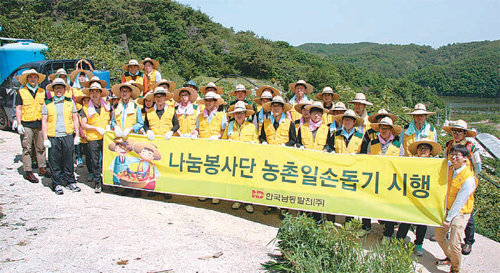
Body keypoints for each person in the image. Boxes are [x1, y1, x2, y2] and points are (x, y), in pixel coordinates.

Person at [435, 144, 477, 273]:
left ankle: (455, 269)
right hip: (447, 208)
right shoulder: (450, 168)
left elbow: (459, 202)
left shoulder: (468, 179)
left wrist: (448, 218)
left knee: (455, 243)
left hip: (461, 212)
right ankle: (451, 257)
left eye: (457, 155)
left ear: (465, 158)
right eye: (451, 154)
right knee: (439, 236)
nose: (453, 157)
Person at [396, 138, 442, 256]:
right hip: (411, 196)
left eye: (425, 148)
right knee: (406, 219)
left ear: (430, 151)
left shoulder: (436, 165)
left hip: (426, 198)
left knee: (422, 222)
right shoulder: (411, 161)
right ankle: (399, 241)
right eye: (420, 148)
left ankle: (418, 244)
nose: (423, 150)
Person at [443, 119, 481, 255]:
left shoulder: (471, 147)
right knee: (449, 206)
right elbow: (444, 161)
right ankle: (446, 234)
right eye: (454, 131)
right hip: (451, 178)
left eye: (459, 131)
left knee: (466, 211)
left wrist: (473, 180)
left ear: (464, 133)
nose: (456, 134)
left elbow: (477, 166)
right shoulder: (448, 145)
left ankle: (469, 241)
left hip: (466, 180)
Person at [41, 78, 81, 195]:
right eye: (56, 88)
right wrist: (45, 138)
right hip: (54, 135)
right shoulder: (48, 103)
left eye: (61, 88)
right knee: (54, 160)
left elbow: (75, 118)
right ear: (53, 89)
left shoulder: (70, 102)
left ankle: (70, 181)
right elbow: (44, 121)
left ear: (64, 89)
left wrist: (77, 135)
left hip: (67, 134)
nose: (59, 90)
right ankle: (57, 183)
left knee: (69, 159)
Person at [367, 117, 404, 242]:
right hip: (374, 179)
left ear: (391, 130)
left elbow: (402, 163)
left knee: (390, 208)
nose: (384, 131)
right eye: (382, 128)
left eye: (387, 128)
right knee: (366, 202)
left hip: (390, 181)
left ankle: (388, 233)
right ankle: (365, 226)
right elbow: (367, 161)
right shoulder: (372, 143)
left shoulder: (398, 145)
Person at [259, 95, 296, 218]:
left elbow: (293, 140)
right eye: (273, 106)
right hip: (270, 158)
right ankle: (272, 205)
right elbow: (262, 137)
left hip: (284, 158)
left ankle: (284, 209)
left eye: (278, 106)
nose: (276, 108)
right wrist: (264, 142)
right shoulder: (266, 122)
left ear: (282, 108)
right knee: (271, 182)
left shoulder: (289, 123)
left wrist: (285, 145)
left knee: (283, 183)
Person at [222, 101, 258, 213]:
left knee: (247, 181)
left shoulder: (251, 126)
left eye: (241, 113)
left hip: (247, 159)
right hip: (234, 158)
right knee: (236, 180)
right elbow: (223, 140)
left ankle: (248, 202)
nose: (239, 115)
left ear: (246, 114)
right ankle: (237, 199)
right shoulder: (230, 126)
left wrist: (254, 144)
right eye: (237, 113)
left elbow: (256, 141)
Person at [14, 69, 49, 183]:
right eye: (30, 77)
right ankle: (28, 171)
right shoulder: (21, 92)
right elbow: (18, 108)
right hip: (27, 123)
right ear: (27, 79)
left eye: (35, 77)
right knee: (27, 148)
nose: (33, 79)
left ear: (38, 79)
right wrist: (19, 123)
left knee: (41, 147)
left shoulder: (42, 92)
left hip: (39, 123)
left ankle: (42, 168)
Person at [192, 91, 227, 204]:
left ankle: (215, 194)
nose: (208, 103)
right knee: (203, 170)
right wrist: (194, 134)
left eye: (210, 100)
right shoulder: (200, 116)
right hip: (202, 147)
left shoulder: (222, 116)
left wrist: (217, 136)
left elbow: (223, 131)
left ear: (215, 102)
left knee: (215, 170)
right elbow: (197, 129)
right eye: (206, 100)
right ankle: (204, 192)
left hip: (216, 148)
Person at [79, 81, 110, 193]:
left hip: (106, 137)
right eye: (92, 92)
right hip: (93, 138)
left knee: (107, 160)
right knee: (95, 161)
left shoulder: (107, 106)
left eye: (97, 92)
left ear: (100, 93)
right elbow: (83, 124)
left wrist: (109, 126)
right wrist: (96, 128)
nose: (94, 94)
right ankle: (97, 182)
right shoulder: (85, 108)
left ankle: (108, 181)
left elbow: (111, 119)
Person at [69, 68, 93, 168]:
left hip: (89, 113)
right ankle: (78, 156)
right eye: (80, 76)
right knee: (78, 134)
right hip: (78, 113)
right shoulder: (73, 89)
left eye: (83, 76)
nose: (81, 78)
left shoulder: (88, 89)